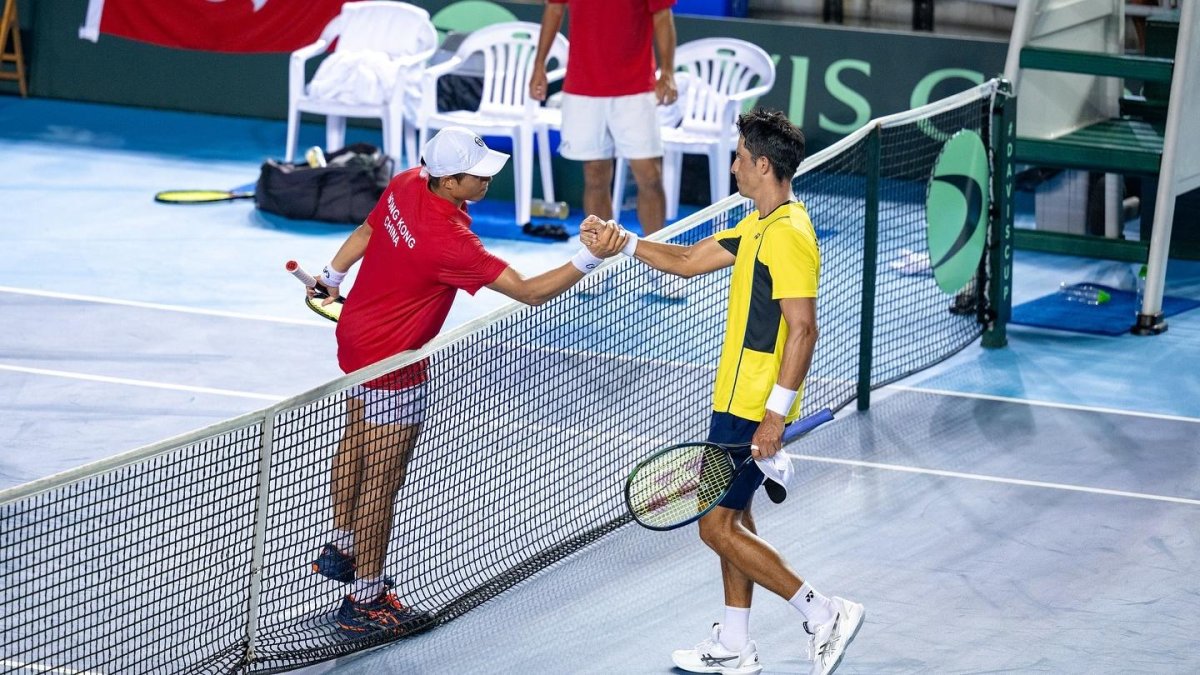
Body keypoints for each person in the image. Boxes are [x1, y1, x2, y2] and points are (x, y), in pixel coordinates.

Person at [307, 126, 625, 637]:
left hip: (355, 340)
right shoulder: (451, 241)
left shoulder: (409, 182)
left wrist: (332, 276)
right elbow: (528, 291)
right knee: (382, 486)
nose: (486, 182)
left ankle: (341, 544)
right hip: (394, 365)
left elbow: (369, 231)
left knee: (355, 441)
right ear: (450, 181)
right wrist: (590, 258)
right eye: (477, 176)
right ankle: (365, 599)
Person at [581, 109, 863, 675]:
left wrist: (775, 417)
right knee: (733, 521)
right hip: (733, 401)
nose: (733, 165)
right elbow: (686, 262)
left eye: (738, 156)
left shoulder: (788, 236)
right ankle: (735, 643)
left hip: (757, 405)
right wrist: (624, 244)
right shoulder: (758, 224)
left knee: (714, 524)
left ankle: (823, 612)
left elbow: (804, 329)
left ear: (762, 164)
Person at [528, 0, 677, 239]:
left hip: (636, 88)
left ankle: (659, 259)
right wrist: (539, 66)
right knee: (595, 175)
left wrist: (668, 72)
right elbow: (554, 9)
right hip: (582, 87)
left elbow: (662, 15)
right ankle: (602, 261)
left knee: (649, 176)